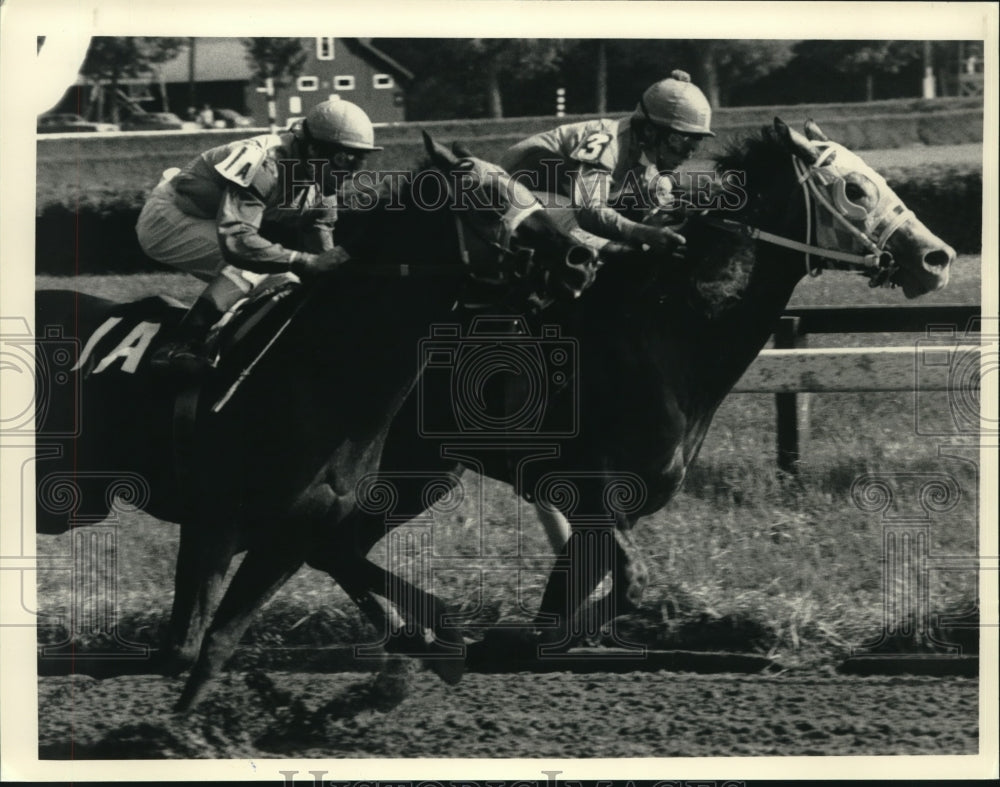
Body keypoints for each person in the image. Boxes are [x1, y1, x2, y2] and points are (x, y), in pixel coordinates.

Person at [136, 98, 382, 373]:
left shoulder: (322, 181)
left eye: (357, 162)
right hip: (168, 218)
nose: (348, 175)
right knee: (253, 268)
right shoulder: (265, 163)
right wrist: (305, 261)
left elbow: (323, 261)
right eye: (341, 161)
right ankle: (178, 346)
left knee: (287, 281)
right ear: (313, 148)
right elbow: (236, 241)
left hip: (210, 221)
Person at [500, 69, 714, 254]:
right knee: (596, 235)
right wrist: (642, 233)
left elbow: (659, 207)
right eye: (681, 142)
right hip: (514, 195)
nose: (689, 154)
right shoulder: (605, 141)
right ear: (649, 131)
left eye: (696, 144)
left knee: (639, 211)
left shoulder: (645, 156)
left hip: (555, 196)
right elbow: (588, 211)